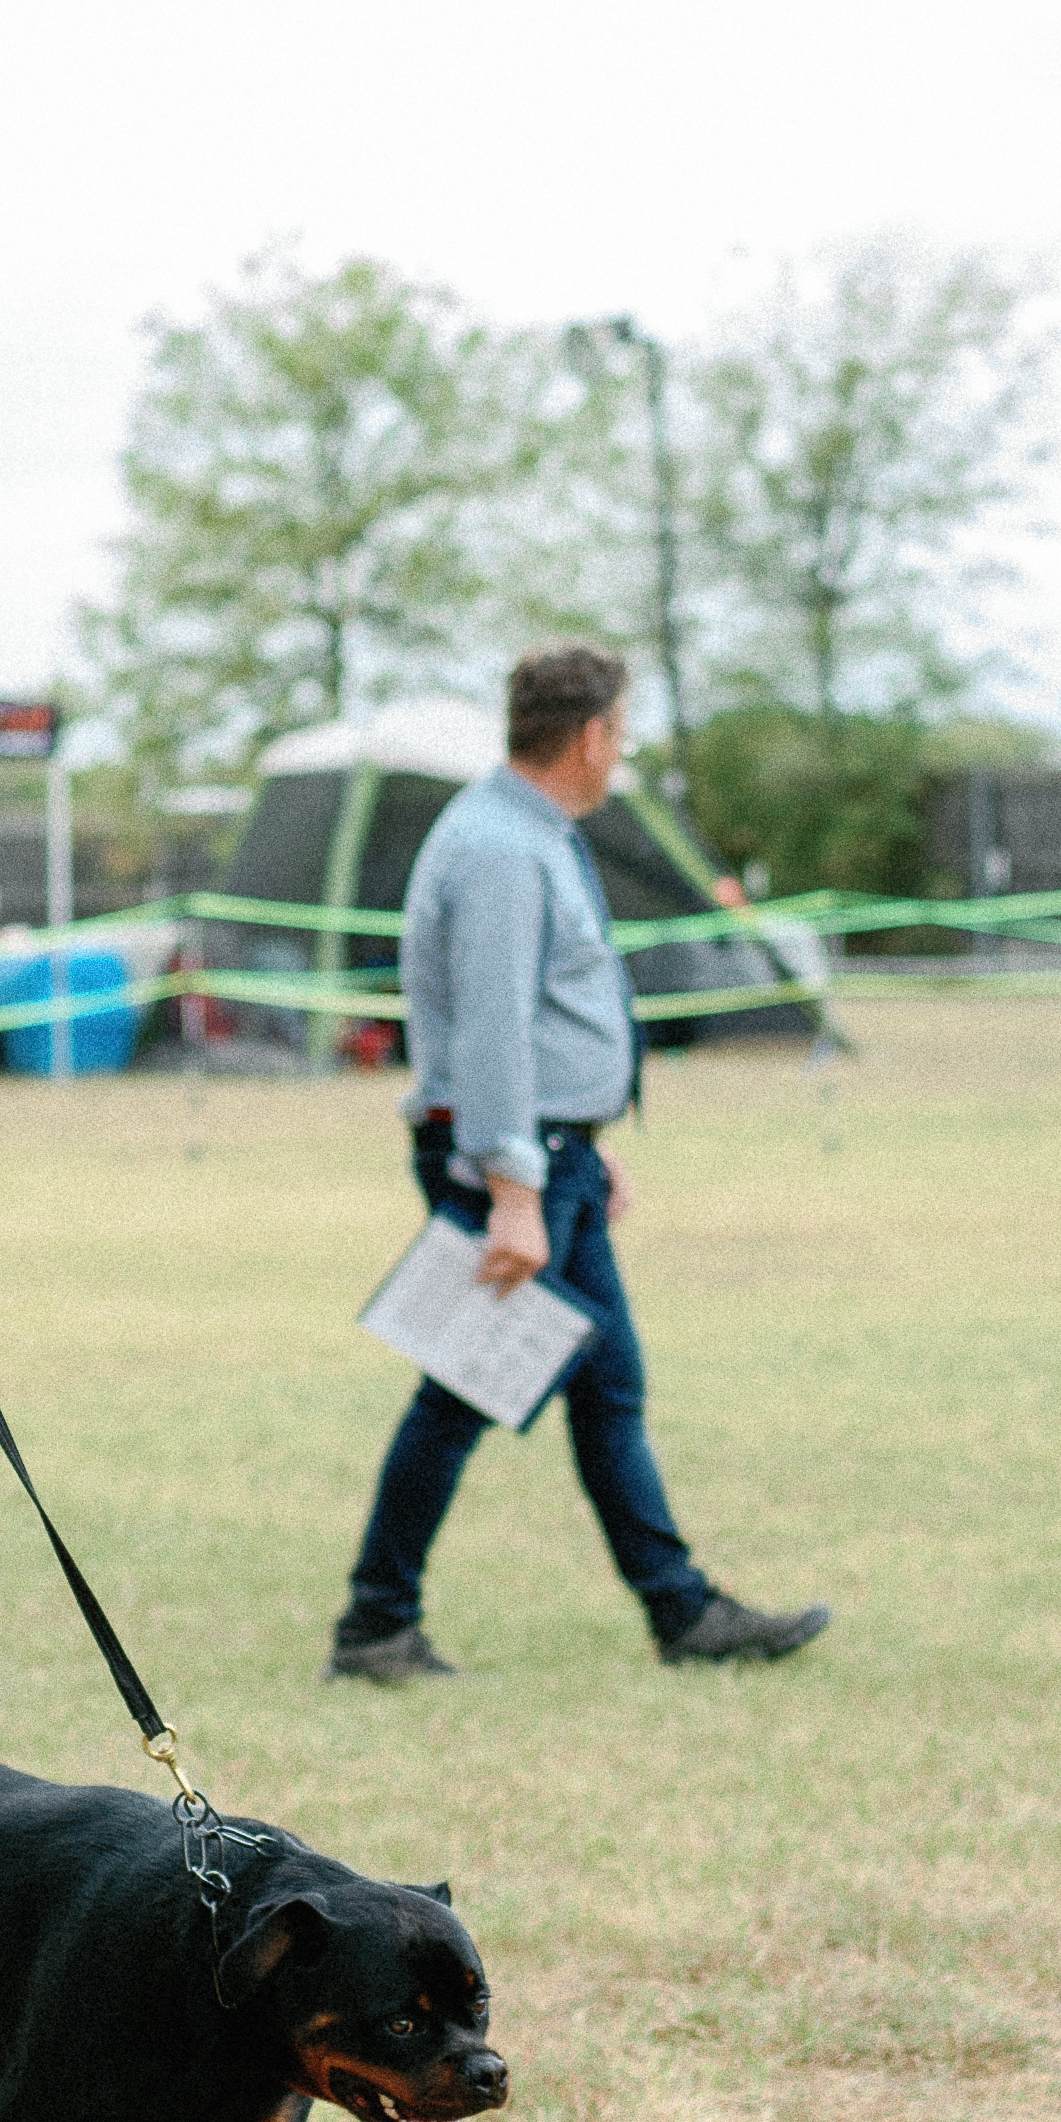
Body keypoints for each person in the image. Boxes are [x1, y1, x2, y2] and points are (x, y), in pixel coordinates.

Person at [327, 644, 829, 1683]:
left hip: (557, 1156)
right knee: (462, 1393)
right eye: (624, 732)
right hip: (519, 1162)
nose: (623, 752)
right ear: (593, 736)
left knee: (609, 1392)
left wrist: (585, 1153)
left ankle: (682, 1613)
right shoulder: (505, 849)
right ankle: (375, 1627)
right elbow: (496, 1030)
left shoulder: (524, 831)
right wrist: (519, 1187)